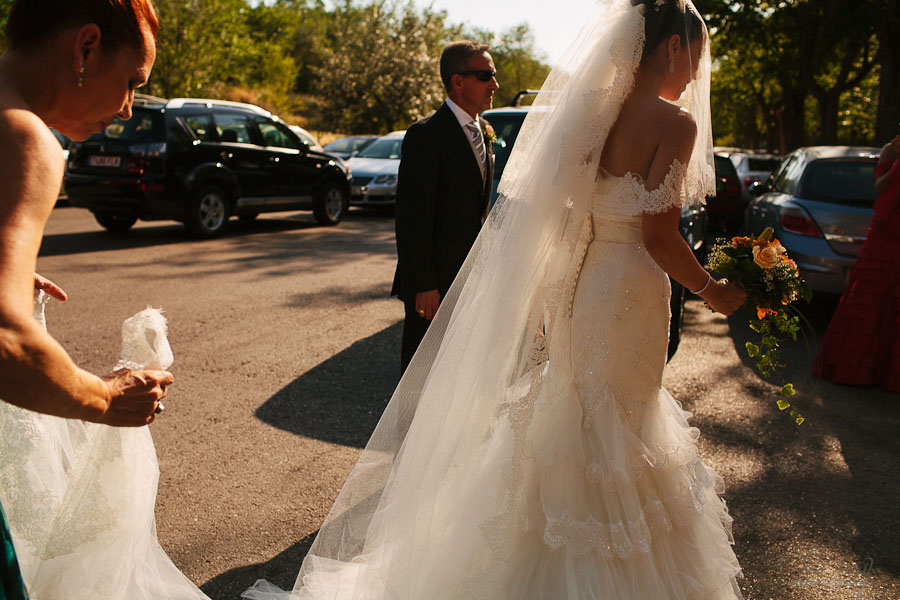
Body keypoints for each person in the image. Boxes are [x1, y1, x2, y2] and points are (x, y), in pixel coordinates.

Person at [244, 1, 746, 598]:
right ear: (670, 47)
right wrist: (713, 290)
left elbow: (558, 218)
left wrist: (543, 294)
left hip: (584, 286)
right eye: (695, 56)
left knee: (578, 408)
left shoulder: (590, 114)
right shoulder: (673, 125)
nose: (694, 72)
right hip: (631, 290)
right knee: (623, 419)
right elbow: (659, 235)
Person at [0, 2, 205, 598]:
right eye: (133, 83)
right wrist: (107, 397)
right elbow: (7, 339)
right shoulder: (25, 137)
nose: (128, 108)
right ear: (86, 49)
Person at [391, 41, 499, 372]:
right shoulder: (426, 135)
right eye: (485, 75)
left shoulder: (483, 131)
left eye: (493, 75)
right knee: (422, 376)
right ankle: (408, 428)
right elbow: (412, 217)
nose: (495, 84)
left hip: (470, 279)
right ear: (457, 81)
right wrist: (424, 284)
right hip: (434, 285)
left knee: (457, 375)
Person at [813, 135, 900, 391]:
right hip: (885, 235)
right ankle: (855, 371)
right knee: (869, 295)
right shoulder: (890, 150)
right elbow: (881, 187)